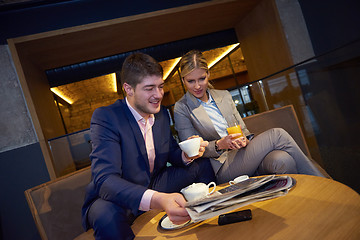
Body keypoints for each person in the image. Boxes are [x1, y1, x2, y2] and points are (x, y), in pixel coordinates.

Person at [81, 52, 215, 240]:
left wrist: (186, 155)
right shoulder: (107, 117)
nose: (158, 95)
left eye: (160, 87)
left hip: (155, 182)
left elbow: (170, 152)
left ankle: (212, 218)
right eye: (149, 88)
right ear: (128, 89)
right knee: (106, 215)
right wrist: (158, 199)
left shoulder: (161, 114)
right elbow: (105, 180)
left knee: (201, 165)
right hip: (116, 195)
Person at [174, 50, 324, 184]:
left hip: (243, 154)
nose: (197, 86)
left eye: (201, 78)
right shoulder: (182, 108)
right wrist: (220, 144)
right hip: (220, 166)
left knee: (283, 160)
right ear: (183, 81)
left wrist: (244, 139)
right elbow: (192, 151)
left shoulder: (224, 96)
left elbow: (243, 130)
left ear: (208, 74)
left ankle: (300, 205)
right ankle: (321, 182)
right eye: (191, 81)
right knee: (277, 135)